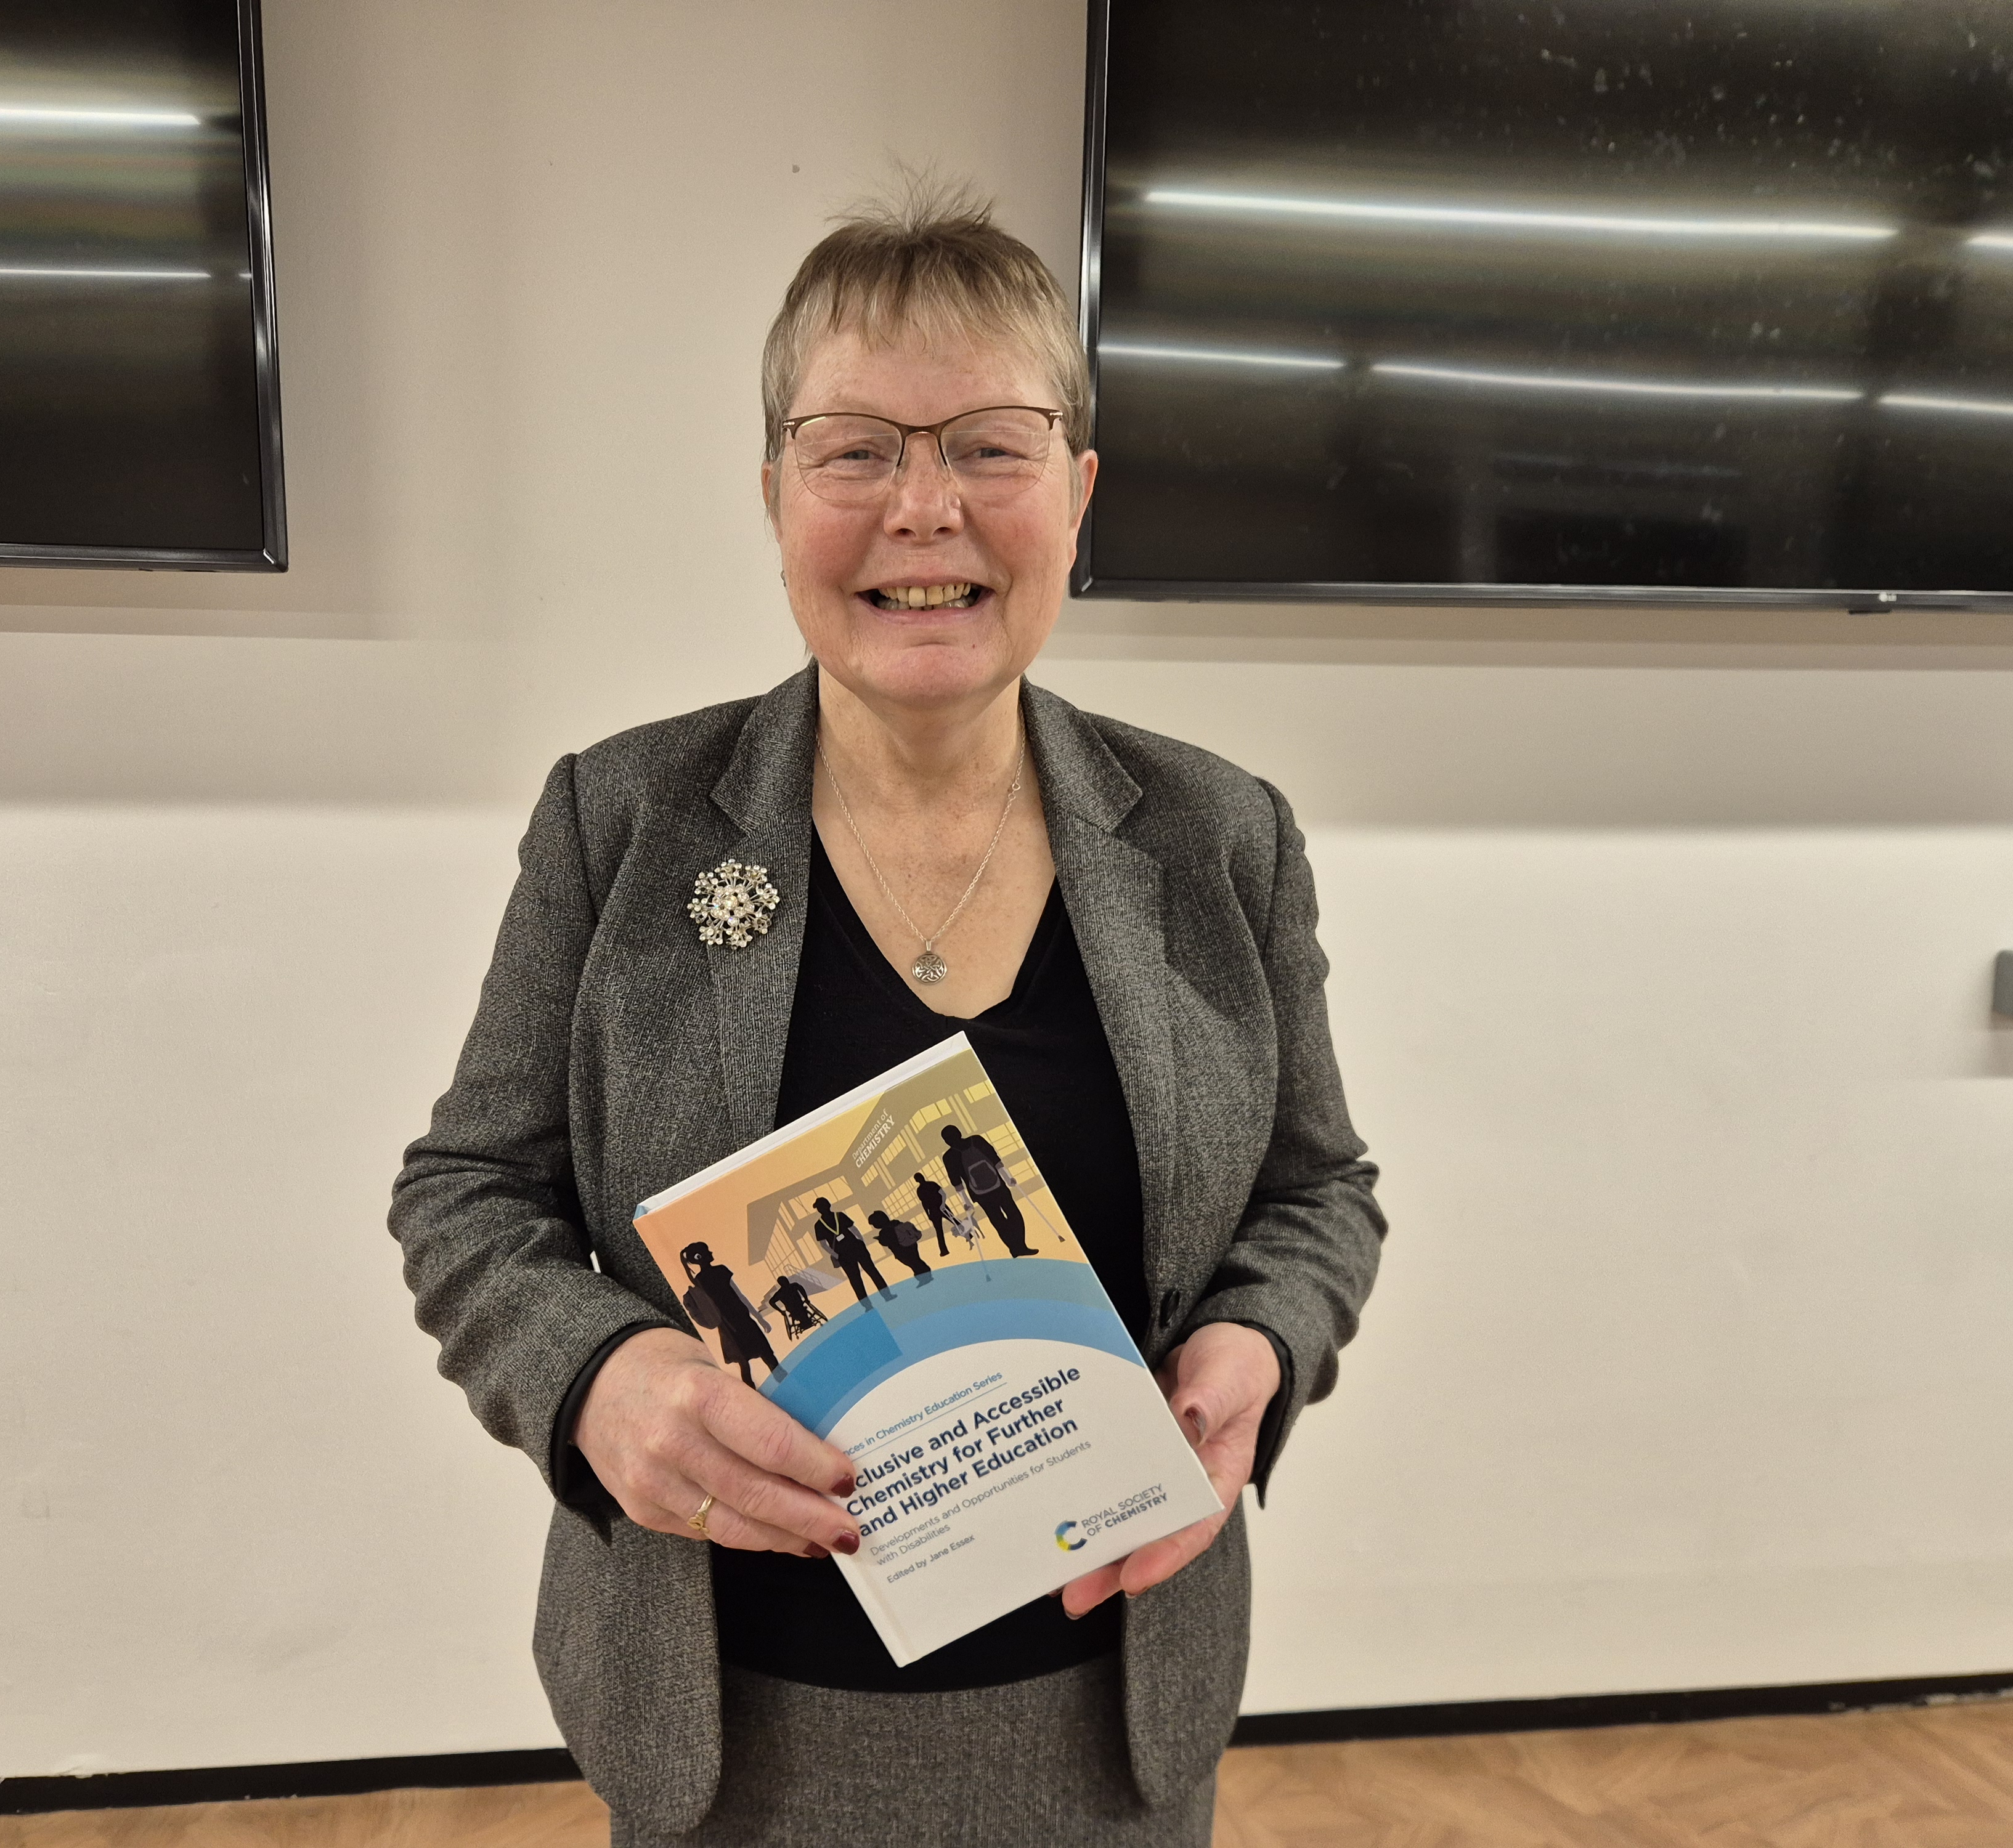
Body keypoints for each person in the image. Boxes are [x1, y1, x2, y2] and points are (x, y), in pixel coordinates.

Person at [389, 182, 1386, 1847]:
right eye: (856, 449)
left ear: (1075, 492)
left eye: (988, 446)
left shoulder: (1221, 839)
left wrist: (1260, 1347)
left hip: (1110, 1736)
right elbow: (467, 1197)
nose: (924, 511)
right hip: (733, 1751)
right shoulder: (622, 822)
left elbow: (1316, 1194)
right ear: (775, 496)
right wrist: (594, 1377)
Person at [678, 1241, 779, 1387]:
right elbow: (740, 1296)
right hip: (740, 1320)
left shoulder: (700, 1280)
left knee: (745, 1365)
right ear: (700, 1257)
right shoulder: (720, 1271)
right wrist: (759, 1318)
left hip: (728, 1326)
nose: (711, 1253)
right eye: (708, 1251)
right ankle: (789, 1386)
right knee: (767, 1357)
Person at [941, 1121, 1036, 1256]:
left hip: (979, 1193)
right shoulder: (977, 1140)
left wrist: (966, 1201)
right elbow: (995, 1160)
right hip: (998, 1185)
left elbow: (956, 1182)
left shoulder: (949, 1156)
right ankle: (1020, 1246)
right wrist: (1008, 1178)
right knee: (1013, 1213)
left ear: (946, 1142)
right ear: (959, 1133)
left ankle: (1015, 1248)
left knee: (997, 1220)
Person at [811, 1194, 890, 1303]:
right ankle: (887, 1296)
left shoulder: (819, 1225)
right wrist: (862, 1243)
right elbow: (854, 1229)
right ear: (829, 1205)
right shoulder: (839, 1216)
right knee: (872, 1272)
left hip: (844, 1254)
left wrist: (837, 1255)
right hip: (855, 1247)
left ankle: (867, 1305)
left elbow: (824, 1245)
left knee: (856, 1280)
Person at [867, 1209, 932, 1281]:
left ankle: (924, 1277)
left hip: (901, 1250)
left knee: (913, 1263)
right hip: (911, 1244)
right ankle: (926, 1276)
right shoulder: (896, 1223)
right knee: (916, 1260)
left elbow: (885, 1242)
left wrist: (880, 1239)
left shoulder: (885, 1231)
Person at [912, 1171, 954, 1256]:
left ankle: (944, 1250)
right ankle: (969, 1234)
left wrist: (929, 1214)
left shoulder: (921, 1190)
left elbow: (941, 1195)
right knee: (954, 1222)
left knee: (941, 1230)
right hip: (939, 1209)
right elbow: (942, 1195)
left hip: (935, 1210)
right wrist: (942, 1205)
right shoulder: (931, 1185)